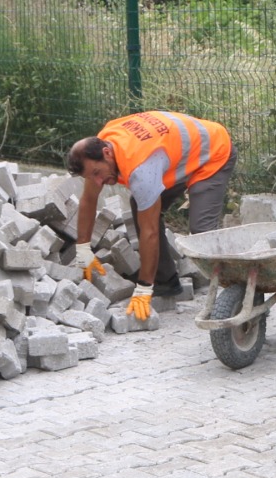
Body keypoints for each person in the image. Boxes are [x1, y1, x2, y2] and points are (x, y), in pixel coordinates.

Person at [65, 111, 235, 321]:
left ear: (107, 153)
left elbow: (150, 232)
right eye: (91, 176)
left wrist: (143, 288)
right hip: (176, 154)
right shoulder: (101, 147)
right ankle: (166, 280)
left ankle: (238, 287)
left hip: (212, 152)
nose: (97, 182)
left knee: (201, 231)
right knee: (140, 203)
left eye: (98, 173)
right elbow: (89, 199)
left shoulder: (141, 169)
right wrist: (83, 250)